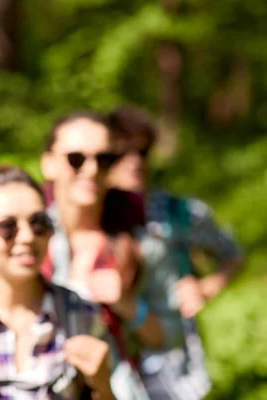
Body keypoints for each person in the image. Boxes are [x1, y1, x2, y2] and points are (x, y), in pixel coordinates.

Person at [106, 105, 244, 399]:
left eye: (142, 152)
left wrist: (206, 287)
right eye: (121, 154)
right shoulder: (92, 215)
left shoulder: (180, 212)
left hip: (172, 359)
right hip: (113, 359)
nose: (134, 162)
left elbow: (233, 254)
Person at [0, 162, 115, 400]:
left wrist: (103, 386)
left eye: (38, 222)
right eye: (7, 227)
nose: (27, 237)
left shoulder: (80, 312)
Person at [39, 111, 162, 400]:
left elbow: (167, 337)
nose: (91, 169)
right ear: (49, 164)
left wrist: (126, 304)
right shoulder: (22, 238)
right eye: (76, 159)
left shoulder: (138, 241)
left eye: (104, 159)